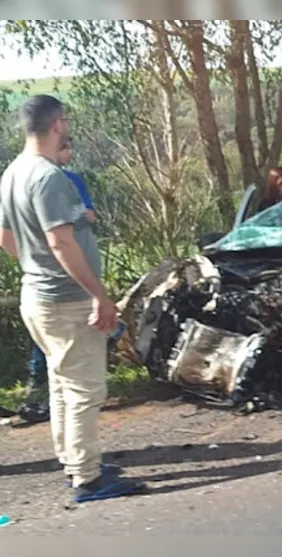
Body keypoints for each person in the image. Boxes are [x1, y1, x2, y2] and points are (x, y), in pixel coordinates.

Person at [0, 94, 145, 503]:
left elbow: (6, 238)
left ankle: (76, 461)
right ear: (58, 124)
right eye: (65, 120)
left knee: (63, 385)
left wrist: (35, 266)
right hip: (66, 300)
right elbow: (61, 243)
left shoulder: (12, 172)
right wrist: (99, 295)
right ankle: (88, 478)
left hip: (38, 296)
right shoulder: (48, 177)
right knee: (84, 390)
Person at [22, 137, 97, 422]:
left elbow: (89, 213)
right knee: (75, 379)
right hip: (61, 279)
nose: (67, 152)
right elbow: (84, 216)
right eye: (64, 146)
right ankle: (84, 464)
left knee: (57, 358)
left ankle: (47, 402)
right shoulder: (47, 179)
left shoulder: (68, 179)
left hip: (44, 279)